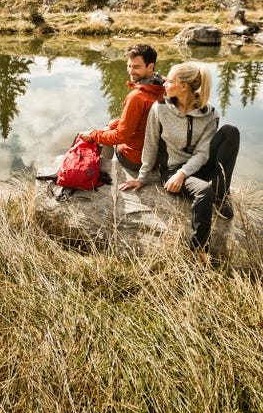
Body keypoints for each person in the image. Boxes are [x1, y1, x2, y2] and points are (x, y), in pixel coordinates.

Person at [119, 62, 240, 255]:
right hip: (171, 171)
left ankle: (222, 195)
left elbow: (202, 153)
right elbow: (150, 145)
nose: (164, 83)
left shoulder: (209, 113)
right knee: (204, 191)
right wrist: (142, 178)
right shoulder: (160, 108)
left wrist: (184, 173)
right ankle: (198, 251)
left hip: (196, 166)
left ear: (184, 86)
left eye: (170, 80)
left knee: (230, 132)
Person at [78, 44, 165, 172]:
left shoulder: (137, 97)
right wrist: (113, 125)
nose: (131, 71)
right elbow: (142, 119)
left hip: (136, 160)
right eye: (129, 66)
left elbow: (120, 137)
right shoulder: (165, 85)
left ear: (150, 66)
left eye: (136, 67)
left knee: (103, 136)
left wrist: (93, 135)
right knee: (111, 125)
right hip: (157, 156)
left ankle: (104, 169)